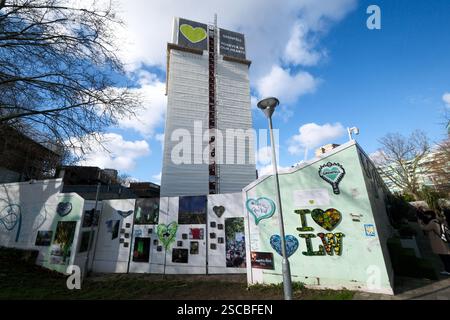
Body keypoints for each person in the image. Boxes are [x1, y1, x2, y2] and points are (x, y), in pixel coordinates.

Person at [418, 210, 450, 276]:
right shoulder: (437, 220)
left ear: (429, 215)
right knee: (446, 256)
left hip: (439, 242)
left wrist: (420, 223)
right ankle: (447, 269)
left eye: (426, 215)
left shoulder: (432, 222)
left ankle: (448, 270)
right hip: (443, 240)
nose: (425, 216)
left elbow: (425, 228)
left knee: (444, 257)